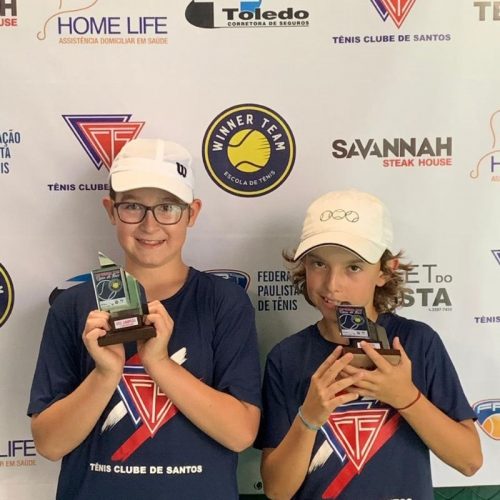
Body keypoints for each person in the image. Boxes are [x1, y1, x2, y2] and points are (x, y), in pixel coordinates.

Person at [28, 138, 262, 499]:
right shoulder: (73, 307)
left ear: (192, 213)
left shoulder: (223, 302)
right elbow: (49, 444)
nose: (150, 225)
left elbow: (240, 434)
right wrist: (105, 374)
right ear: (111, 210)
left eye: (167, 207)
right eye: (133, 206)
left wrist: (160, 364)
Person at [256, 189, 482, 499]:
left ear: (385, 271)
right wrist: (308, 417)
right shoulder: (287, 357)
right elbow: (277, 490)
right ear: (303, 265)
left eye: (353, 267)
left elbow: (469, 461)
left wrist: (406, 398)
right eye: (319, 264)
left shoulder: (417, 342)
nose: (332, 285)